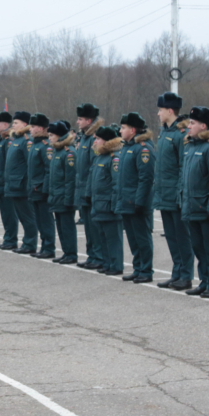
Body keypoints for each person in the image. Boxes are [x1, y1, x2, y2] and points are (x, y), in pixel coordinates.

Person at [153, 92, 194, 290]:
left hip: (175, 195)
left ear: (170, 111)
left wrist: (180, 194)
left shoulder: (180, 134)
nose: (158, 114)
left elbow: (182, 168)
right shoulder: (164, 132)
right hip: (164, 194)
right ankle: (176, 272)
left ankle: (186, 275)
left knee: (182, 237)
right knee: (171, 237)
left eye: (160, 110)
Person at [180, 107, 209, 298]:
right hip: (191, 205)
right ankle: (204, 281)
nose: (188, 126)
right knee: (198, 246)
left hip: (204, 207)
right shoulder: (189, 147)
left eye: (192, 123)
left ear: (203, 126)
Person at [116, 112, 156, 284]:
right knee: (133, 239)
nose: (120, 131)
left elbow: (145, 178)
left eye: (123, 128)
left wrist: (140, 201)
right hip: (126, 200)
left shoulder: (143, 148)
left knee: (142, 238)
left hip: (137, 202)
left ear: (132, 130)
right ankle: (138, 268)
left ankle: (146, 270)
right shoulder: (127, 148)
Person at [85, 126, 124, 275]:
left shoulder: (114, 158)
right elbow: (92, 180)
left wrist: (114, 205)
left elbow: (117, 183)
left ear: (106, 141)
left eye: (98, 139)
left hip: (108, 205)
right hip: (98, 205)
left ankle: (116, 265)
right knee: (103, 237)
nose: (95, 141)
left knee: (113, 238)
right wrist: (89, 196)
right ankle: (107, 264)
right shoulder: (99, 157)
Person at [73, 104, 104, 270]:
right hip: (82, 188)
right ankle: (92, 255)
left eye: (80, 119)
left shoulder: (94, 138)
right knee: (88, 227)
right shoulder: (84, 137)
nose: (77, 122)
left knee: (94, 227)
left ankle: (99, 256)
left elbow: (94, 167)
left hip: (90, 190)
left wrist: (90, 190)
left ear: (89, 120)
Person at [6, 111, 38, 254]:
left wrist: (27, 183)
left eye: (16, 123)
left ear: (25, 124)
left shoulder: (26, 140)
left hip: (22, 185)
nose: (13, 125)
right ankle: (26, 243)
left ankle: (30, 244)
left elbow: (29, 164)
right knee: (22, 217)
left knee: (28, 217)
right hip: (14, 185)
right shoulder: (16, 140)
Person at [46, 121, 77, 264]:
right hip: (56, 196)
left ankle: (71, 254)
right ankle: (66, 252)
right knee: (60, 227)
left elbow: (70, 180)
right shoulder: (56, 151)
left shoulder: (69, 153)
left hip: (64, 197)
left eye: (51, 135)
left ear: (59, 136)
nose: (49, 138)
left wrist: (68, 200)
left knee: (67, 227)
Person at [27, 113, 56, 259]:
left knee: (46, 220)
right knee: (39, 221)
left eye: (33, 126)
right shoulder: (35, 145)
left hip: (41, 190)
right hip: (34, 189)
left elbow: (48, 170)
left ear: (40, 128)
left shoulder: (45, 146)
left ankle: (49, 247)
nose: (30, 129)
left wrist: (45, 189)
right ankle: (44, 246)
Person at [0, 112, 20, 250]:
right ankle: (8, 238)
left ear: (6, 125)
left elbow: (9, 164)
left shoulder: (8, 140)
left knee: (9, 213)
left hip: (6, 182)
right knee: (5, 214)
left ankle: (11, 239)